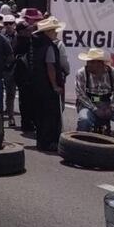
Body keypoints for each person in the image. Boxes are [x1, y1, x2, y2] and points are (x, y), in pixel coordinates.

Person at [28, 17, 66, 151]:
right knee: (50, 115)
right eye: (54, 30)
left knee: (41, 115)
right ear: (48, 31)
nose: (56, 33)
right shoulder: (49, 46)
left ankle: (42, 142)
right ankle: (50, 142)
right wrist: (55, 85)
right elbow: (50, 66)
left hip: (37, 86)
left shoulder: (35, 45)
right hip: (48, 88)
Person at [74, 47, 114, 132]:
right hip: (88, 104)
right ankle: (79, 143)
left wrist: (111, 107)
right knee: (84, 120)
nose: (88, 64)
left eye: (91, 62)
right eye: (88, 61)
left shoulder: (113, 72)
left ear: (100, 63)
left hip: (107, 103)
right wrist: (95, 109)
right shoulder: (81, 73)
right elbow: (80, 95)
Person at [12, 18, 35, 131]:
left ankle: (30, 121)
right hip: (22, 75)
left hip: (30, 75)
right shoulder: (19, 41)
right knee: (25, 101)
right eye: (26, 30)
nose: (29, 31)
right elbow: (15, 57)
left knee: (31, 100)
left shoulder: (30, 39)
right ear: (20, 31)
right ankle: (26, 123)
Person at [1, 14, 19, 125]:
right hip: (4, 68)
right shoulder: (0, 36)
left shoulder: (19, 36)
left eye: (10, 23)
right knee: (5, 93)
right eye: (6, 24)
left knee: (12, 93)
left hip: (16, 67)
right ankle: (7, 115)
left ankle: (11, 115)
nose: (8, 26)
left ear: (14, 24)